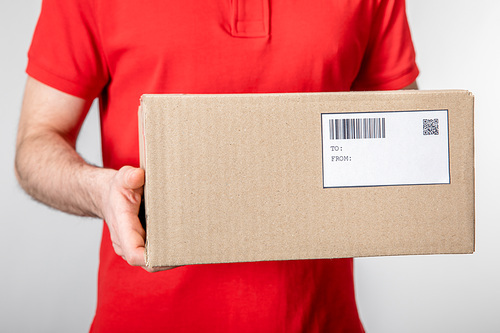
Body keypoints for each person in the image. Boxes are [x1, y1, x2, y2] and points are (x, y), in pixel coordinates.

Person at [15, 0, 418, 331]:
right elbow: (36, 144)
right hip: (145, 319)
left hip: (318, 320)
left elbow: (406, 141)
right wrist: (100, 192)